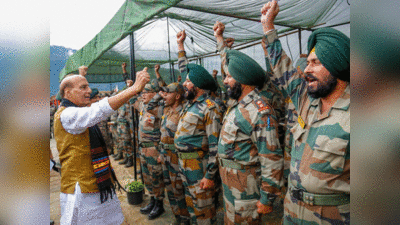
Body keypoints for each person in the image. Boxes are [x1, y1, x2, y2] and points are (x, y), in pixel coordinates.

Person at [261, 1, 350, 224]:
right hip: (292, 212)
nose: (307, 69)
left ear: (337, 66)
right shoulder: (306, 100)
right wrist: (268, 27)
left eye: (315, 63)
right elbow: (282, 68)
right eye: (308, 62)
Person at [54, 68, 150, 225]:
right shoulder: (66, 114)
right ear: (67, 92)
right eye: (83, 87)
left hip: (98, 185)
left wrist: (81, 75)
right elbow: (96, 111)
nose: (89, 91)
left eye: (88, 86)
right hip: (84, 192)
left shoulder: (76, 109)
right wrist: (133, 89)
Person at [213, 23, 284, 224]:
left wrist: (267, 198)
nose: (225, 81)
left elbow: (271, 157)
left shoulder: (259, 111)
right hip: (230, 186)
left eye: (229, 77)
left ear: (242, 81)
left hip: (246, 190)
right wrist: (220, 40)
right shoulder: (238, 102)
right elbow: (227, 62)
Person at [175, 30, 223, 225]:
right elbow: (184, 71)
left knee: (204, 212)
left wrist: (210, 175)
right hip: (185, 166)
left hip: (200, 168)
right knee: (194, 210)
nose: (185, 84)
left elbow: (216, 145)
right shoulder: (192, 103)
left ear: (199, 86)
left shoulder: (210, 108)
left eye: (188, 82)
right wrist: (180, 47)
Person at [147, 82, 191, 225]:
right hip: (165, 155)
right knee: (170, 189)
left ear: (177, 96)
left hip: (177, 157)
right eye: (163, 92)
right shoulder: (166, 110)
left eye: (168, 93)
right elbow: (150, 107)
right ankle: (177, 217)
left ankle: (185, 219)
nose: (164, 95)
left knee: (179, 189)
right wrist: (159, 96)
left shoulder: (184, 111)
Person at [129, 65, 167, 220]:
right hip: (143, 149)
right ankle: (152, 200)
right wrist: (133, 86)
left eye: (146, 92)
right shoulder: (143, 107)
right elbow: (132, 99)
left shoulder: (160, 108)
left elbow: (165, 132)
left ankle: (159, 204)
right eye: (142, 92)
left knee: (157, 178)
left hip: (154, 149)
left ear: (154, 94)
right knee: (148, 178)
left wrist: (162, 152)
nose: (143, 95)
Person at [116, 78, 135, 167]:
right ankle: (126, 157)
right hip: (121, 124)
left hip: (127, 124)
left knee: (127, 142)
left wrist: (129, 86)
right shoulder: (121, 102)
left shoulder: (129, 101)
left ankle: (130, 159)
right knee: (123, 141)